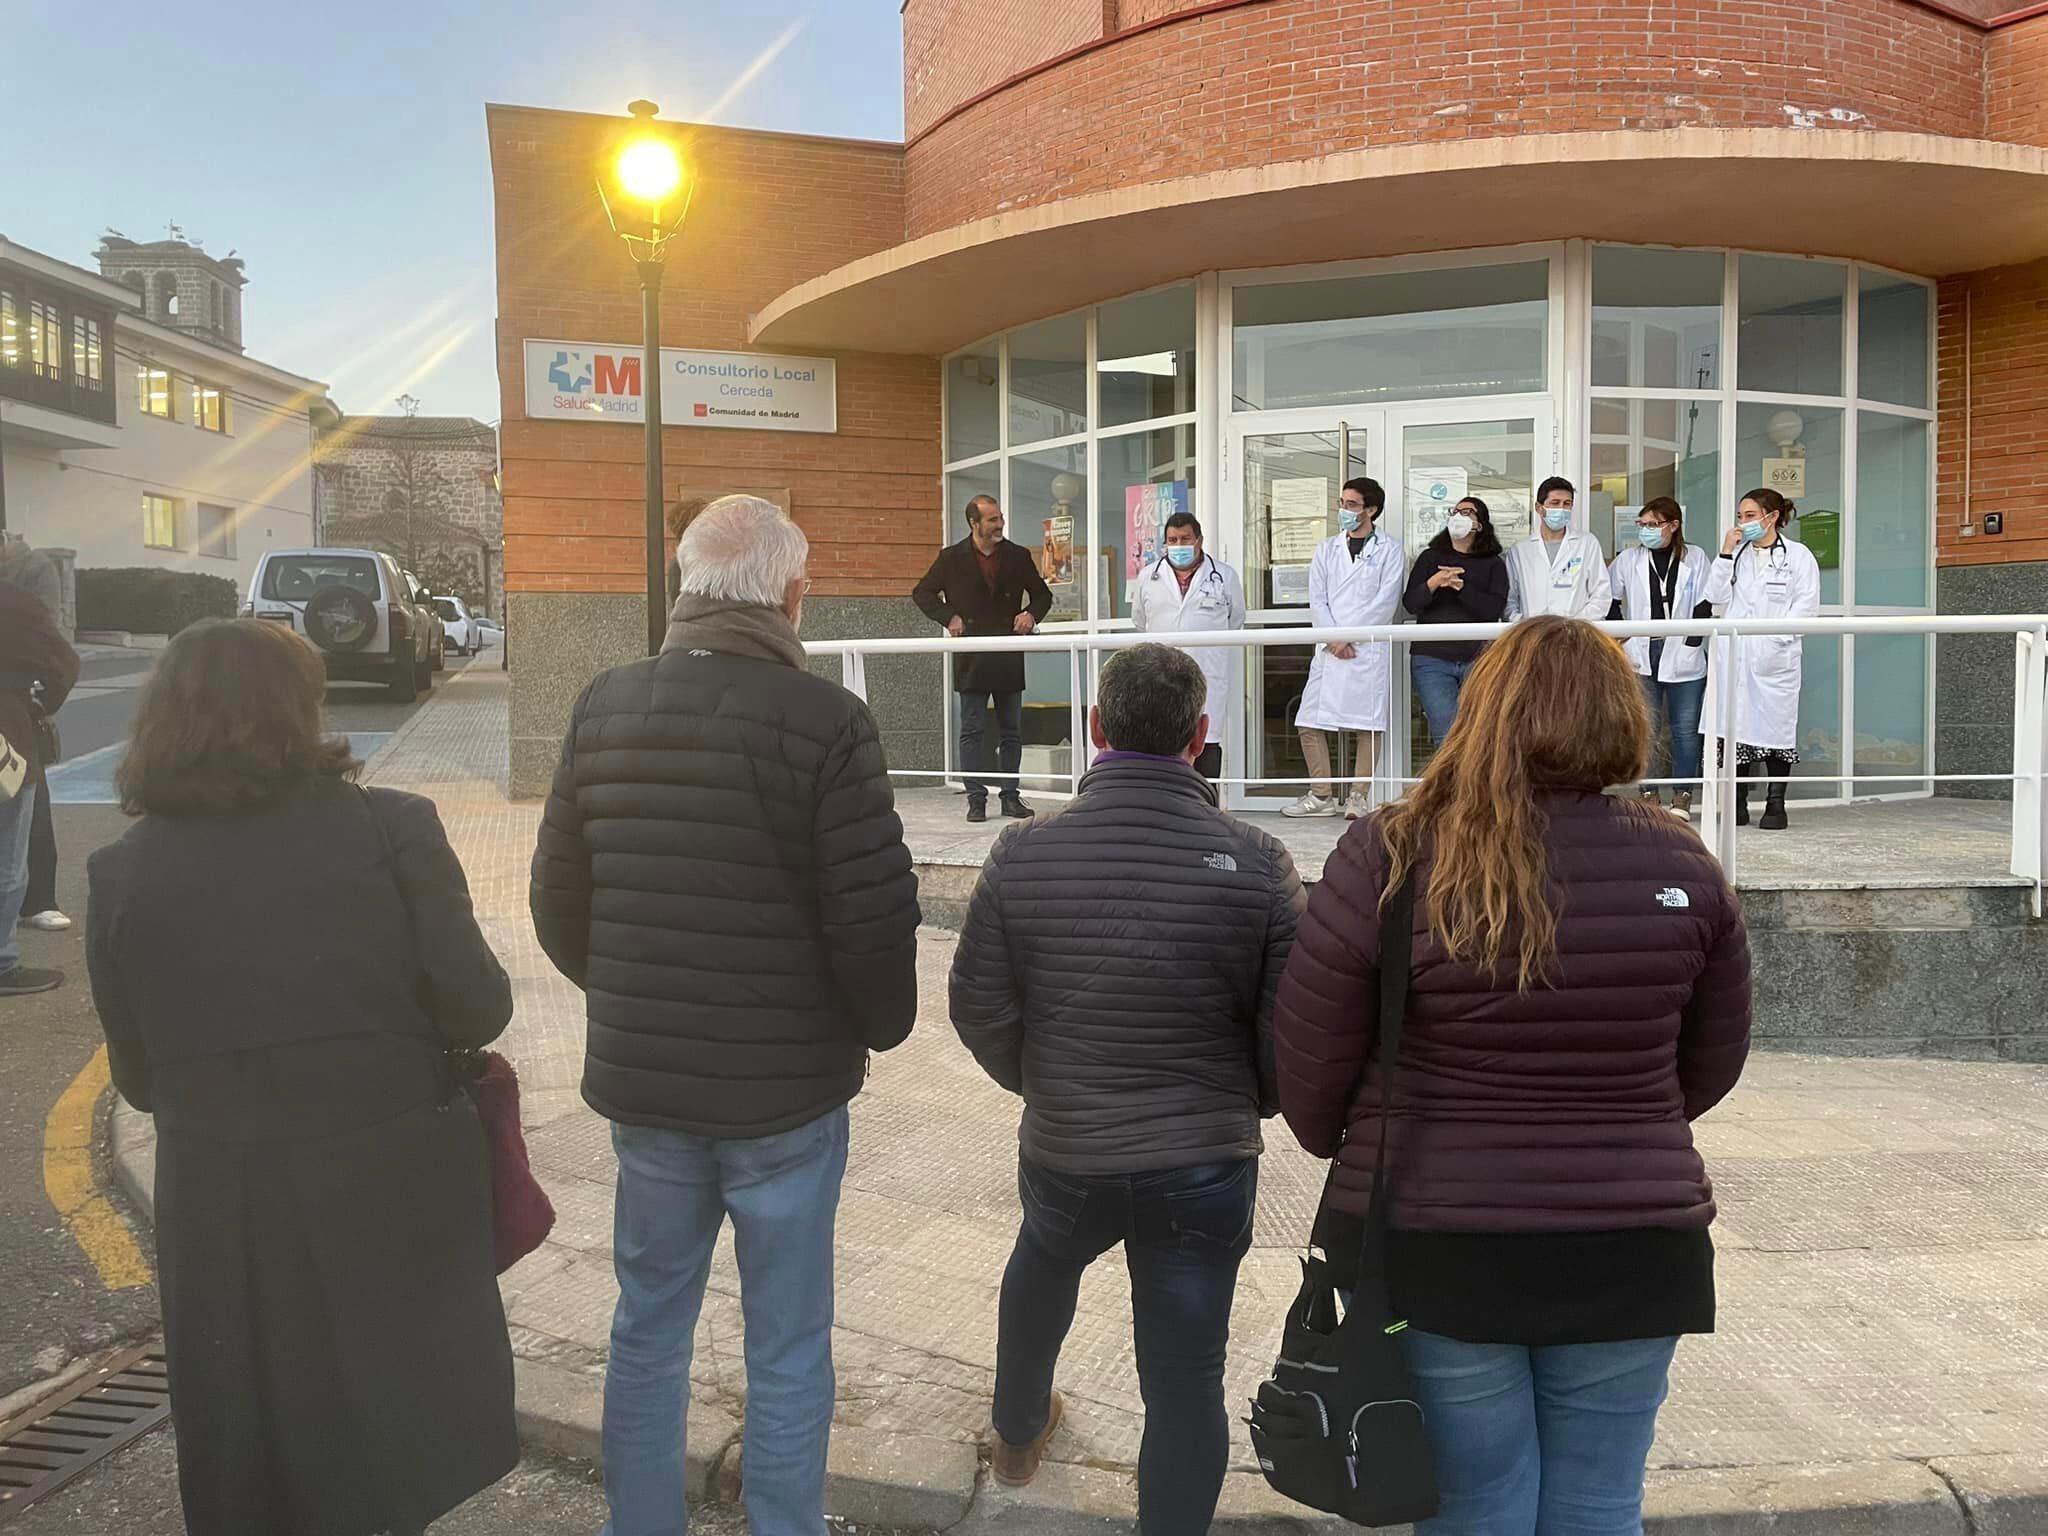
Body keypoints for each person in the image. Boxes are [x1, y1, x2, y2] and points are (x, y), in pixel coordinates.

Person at [1272, 614, 1751, 1536]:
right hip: (1636, 1241)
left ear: (1480, 712)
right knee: (1601, 1506)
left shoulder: (1395, 851)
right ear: (1625, 716)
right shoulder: (1683, 860)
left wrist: (1351, 1133)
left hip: (1442, 1238)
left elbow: (1310, 1059)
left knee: (1473, 1506)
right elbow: (1709, 1066)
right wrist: (1620, 1115)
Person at [531, 495, 922, 1536]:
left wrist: (634, 999)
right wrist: (874, 1029)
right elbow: (872, 923)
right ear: (794, 597)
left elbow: (556, 904)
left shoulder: (602, 703)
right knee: (786, 1346)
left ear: (685, 587)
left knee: (646, 1330)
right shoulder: (826, 722)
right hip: (786, 1095)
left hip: (645, 1088)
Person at [85, 619, 518, 1534]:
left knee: (248, 1446)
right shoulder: (392, 827)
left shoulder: (121, 871)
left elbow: (138, 1078)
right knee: (388, 1444)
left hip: (219, 1200)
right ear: (300, 710)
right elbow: (476, 1007)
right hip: (388, 1179)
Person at [950, 642, 1304, 1531]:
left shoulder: (1021, 851)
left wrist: (1045, 1084)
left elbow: (977, 1008)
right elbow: (1288, 1036)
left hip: (1068, 1145)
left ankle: (1018, 1435)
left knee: (1041, 1267)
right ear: (1202, 737)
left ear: (1098, 729)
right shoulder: (1260, 862)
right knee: (1185, 1379)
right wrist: (1245, 1100)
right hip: (1205, 1162)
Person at [912, 495, 1055, 822]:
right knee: (972, 730)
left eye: (1000, 517)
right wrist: (949, 618)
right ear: (974, 523)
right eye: (992, 519)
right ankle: (976, 799)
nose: (1000, 524)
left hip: (1007, 653)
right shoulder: (950, 559)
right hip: (971, 655)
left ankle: (1010, 798)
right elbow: (922, 592)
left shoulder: (1017, 556)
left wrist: (1031, 615)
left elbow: (1043, 594)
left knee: (1011, 731)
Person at [1702, 487, 1822, 830]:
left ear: (1772, 517)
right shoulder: (1737, 554)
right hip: (1736, 657)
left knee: (1775, 732)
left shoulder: (1798, 557)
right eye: (1741, 516)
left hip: (1774, 659)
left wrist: (1774, 641)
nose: (1744, 522)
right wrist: (1725, 554)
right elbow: (1715, 597)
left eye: (1750, 515)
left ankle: (1775, 804)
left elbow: (1805, 606)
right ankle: (1738, 803)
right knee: (1735, 729)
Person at [1284, 477, 1404, 819]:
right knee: (1308, 720)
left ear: (1371, 509)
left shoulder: (1390, 550)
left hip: (1365, 648)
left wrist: (1349, 636)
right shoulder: (1326, 549)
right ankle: (1321, 795)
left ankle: (1357, 796)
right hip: (1330, 647)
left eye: (1352, 505)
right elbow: (1317, 598)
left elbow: (1386, 601)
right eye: (1342, 503)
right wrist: (1332, 637)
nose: (1344, 511)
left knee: (1367, 724)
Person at [1608, 496, 1714, 816]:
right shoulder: (1628, 560)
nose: (1646, 531)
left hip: (1683, 650)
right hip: (1642, 650)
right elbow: (1610, 598)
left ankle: (1683, 796)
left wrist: (1691, 644)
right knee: (1647, 728)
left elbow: (1705, 604)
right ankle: (1649, 793)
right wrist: (1620, 635)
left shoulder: (1695, 557)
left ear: (1673, 525)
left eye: (1653, 525)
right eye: (1642, 525)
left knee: (1685, 729)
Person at [0, 572, 77, 997]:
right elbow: (62, 666)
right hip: (5, 736)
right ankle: (2, 963)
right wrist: (38, 705)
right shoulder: (13, 602)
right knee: (7, 855)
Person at [1130, 510, 1246, 781]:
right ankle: (1168, 806)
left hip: (1207, 670)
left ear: (1199, 541)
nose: (1179, 545)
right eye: (1173, 539)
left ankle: (1206, 810)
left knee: (1206, 740)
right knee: (1163, 741)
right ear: (1165, 543)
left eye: (1185, 539)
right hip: (1160, 672)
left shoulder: (1224, 576)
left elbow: (1236, 618)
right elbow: (1140, 620)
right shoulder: (1149, 576)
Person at [1402, 495, 1511, 747]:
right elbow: (1411, 604)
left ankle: (1475, 784)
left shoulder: (1493, 564)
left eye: (1468, 512)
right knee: (1445, 729)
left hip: (1478, 657)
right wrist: (1434, 583)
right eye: (1456, 511)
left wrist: (1461, 587)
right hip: (1431, 659)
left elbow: (1492, 609)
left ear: (1479, 525)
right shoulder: (1430, 558)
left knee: (1479, 729)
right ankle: (1449, 785)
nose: (1459, 515)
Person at [2, 534, 71, 933]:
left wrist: (40, 702)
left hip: (13, 712)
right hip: (13, 712)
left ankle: (38, 899)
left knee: (25, 798)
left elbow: (51, 646)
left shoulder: (33, 569)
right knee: (19, 804)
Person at [1504, 476, 1609, 623]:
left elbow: (1601, 594)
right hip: (1533, 635)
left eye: (1567, 504)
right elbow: (1510, 600)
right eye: (1555, 503)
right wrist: (1523, 624)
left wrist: (1574, 624)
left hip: (1576, 634)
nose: (1561, 508)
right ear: (1539, 508)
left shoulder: (1587, 544)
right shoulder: (1520, 550)